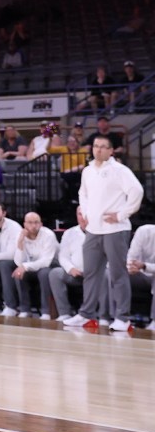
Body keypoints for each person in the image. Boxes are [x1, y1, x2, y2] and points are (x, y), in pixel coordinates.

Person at [62, 134, 144, 333]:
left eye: (102, 147)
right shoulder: (88, 170)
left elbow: (137, 191)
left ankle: (123, 318)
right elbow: (82, 193)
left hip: (115, 230)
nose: (98, 150)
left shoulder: (120, 170)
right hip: (93, 230)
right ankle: (86, 314)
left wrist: (122, 214)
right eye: (95, 146)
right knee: (91, 273)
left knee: (118, 274)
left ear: (111, 150)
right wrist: (85, 212)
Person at [40, 206, 93, 322]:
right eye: (80, 214)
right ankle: (64, 313)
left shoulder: (100, 233)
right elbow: (63, 256)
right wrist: (71, 269)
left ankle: (101, 317)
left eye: (85, 214)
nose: (83, 218)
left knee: (106, 275)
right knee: (55, 273)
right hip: (74, 273)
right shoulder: (69, 233)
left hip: (95, 275)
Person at [12, 211, 58, 318]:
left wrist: (25, 266)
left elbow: (46, 261)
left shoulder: (48, 235)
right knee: (18, 273)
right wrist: (20, 243)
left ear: (41, 224)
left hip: (51, 265)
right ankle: (25, 309)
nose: (33, 225)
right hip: (31, 266)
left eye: (36, 222)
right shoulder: (20, 235)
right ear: (24, 224)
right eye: (30, 222)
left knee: (44, 273)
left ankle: (46, 312)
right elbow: (19, 262)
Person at [125, 224, 155, 330]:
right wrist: (131, 267)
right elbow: (131, 257)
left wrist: (144, 266)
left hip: (148, 272)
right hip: (139, 273)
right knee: (114, 273)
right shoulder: (144, 231)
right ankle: (118, 318)